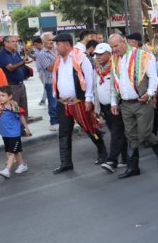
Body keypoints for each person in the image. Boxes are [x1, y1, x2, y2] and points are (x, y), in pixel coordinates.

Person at [108, 33, 158, 178]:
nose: (113, 49)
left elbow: (153, 77)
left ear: (124, 42)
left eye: (115, 46)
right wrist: (114, 102)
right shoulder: (114, 59)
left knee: (145, 133)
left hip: (142, 102)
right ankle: (133, 167)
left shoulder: (142, 55)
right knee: (131, 136)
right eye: (111, 47)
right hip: (125, 104)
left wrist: (150, 93)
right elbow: (114, 82)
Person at [51, 33, 107, 174]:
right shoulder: (58, 60)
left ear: (67, 45)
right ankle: (66, 163)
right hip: (62, 102)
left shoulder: (81, 58)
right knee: (63, 133)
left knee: (89, 128)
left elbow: (89, 80)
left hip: (79, 101)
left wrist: (88, 99)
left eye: (58, 44)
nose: (56, 47)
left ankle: (102, 152)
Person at [93, 42, 128, 173]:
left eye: (101, 54)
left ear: (109, 54)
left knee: (116, 132)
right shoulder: (97, 69)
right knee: (119, 133)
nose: (98, 57)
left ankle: (112, 160)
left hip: (116, 106)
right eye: (96, 54)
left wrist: (115, 102)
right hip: (104, 107)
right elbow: (95, 88)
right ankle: (124, 159)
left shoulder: (116, 66)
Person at [0, 86, 31, 179]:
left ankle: (7, 170)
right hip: (5, 133)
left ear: (10, 96)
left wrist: (26, 128)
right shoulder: (0, 107)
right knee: (12, 152)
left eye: (3, 95)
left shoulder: (13, 106)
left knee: (12, 152)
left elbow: (21, 116)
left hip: (14, 134)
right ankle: (22, 165)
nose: (0, 97)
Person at [0, 35, 29, 120]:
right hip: (11, 86)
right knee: (14, 109)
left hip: (21, 84)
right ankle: (15, 129)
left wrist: (24, 64)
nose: (15, 43)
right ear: (5, 43)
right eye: (13, 41)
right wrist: (22, 63)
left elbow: (19, 65)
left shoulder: (16, 53)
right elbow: (10, 68)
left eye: (16, 41)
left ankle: (24, 128)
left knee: (23, 108)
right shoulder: (1, 54)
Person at [35, 32, 58, 131]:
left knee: (62, 102)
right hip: (50, 82)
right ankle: (54, 123)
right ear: (43, 42)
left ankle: (63, 121)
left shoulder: (55, 50)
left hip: (60, 80)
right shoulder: (42, 54)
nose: (51, 42)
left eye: (52, 39)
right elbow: (49, 68)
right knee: (53, 103)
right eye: (49, 40)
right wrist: (59, 57)